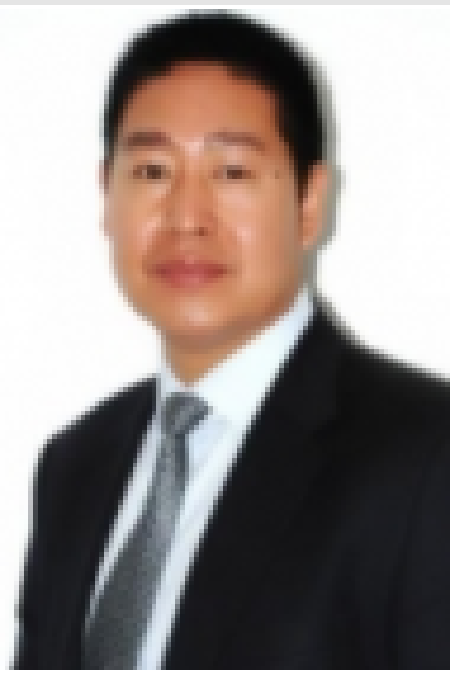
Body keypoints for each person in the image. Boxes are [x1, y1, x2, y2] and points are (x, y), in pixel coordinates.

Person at [14, 9, 450, 670]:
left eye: (233, 172)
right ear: (106, 194)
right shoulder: (74, 465)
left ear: (309, 202)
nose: (187, 218)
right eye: (152, 171)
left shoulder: (426, 458)